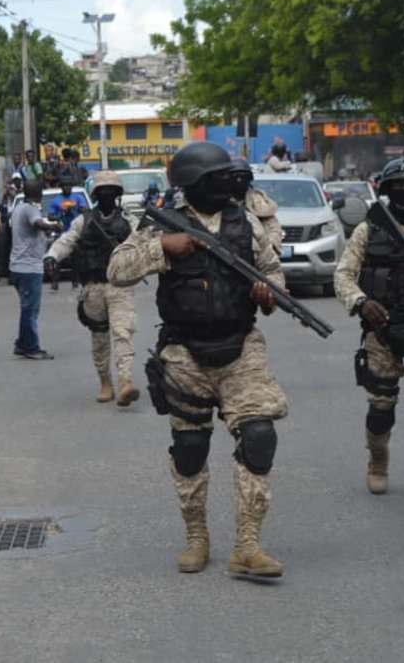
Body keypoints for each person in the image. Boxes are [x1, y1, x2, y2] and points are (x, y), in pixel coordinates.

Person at [108, 141, 288, 578]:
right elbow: (117, 269)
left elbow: (274, 272)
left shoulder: (245, 222)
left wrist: (268, 295)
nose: (227, 183)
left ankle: (247, 544)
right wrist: (164, 248)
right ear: (194, 183)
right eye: (217, 178)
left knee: (259, 437)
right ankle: (197, 538)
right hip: (184, 352)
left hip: (241, 348)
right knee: (190, 448)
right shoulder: (163, 224)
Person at [333, 157, 404, 518]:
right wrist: (361, 302)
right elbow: (343, 276)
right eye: (396, 185)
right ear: (385, 190)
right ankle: (378, 459)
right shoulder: (370, 230)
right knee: (381, 409)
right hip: (383, 328)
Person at [45, 171, 141, 405]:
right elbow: (67, 240)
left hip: (120, 286)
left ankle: (125, 381)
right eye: (103, 191)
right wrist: (52, 256)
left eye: (112, 191)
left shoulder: (129, 221)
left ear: (118, 195)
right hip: (93, 287)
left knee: (122, 333)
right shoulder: (84, 221)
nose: (107, 195)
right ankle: (105, 382)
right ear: (96, 194)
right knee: (99, 337)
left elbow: (145, 245)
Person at [10, 180, 58, 359]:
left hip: (18, 266)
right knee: (30, 310)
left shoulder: (19, 209)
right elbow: (38, 224)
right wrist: (52, 226)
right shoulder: (30, 209)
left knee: (26, 308)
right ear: (40, 193)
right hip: (28, 267)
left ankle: (23, 344)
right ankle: (31, 347)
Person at [228, 158, 283, 253]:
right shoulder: (221, 200)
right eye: (235, 176)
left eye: (242, 176)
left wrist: (268, 247)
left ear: (249, 178)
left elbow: (273, 228)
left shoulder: (258, 201)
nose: (239, 180)